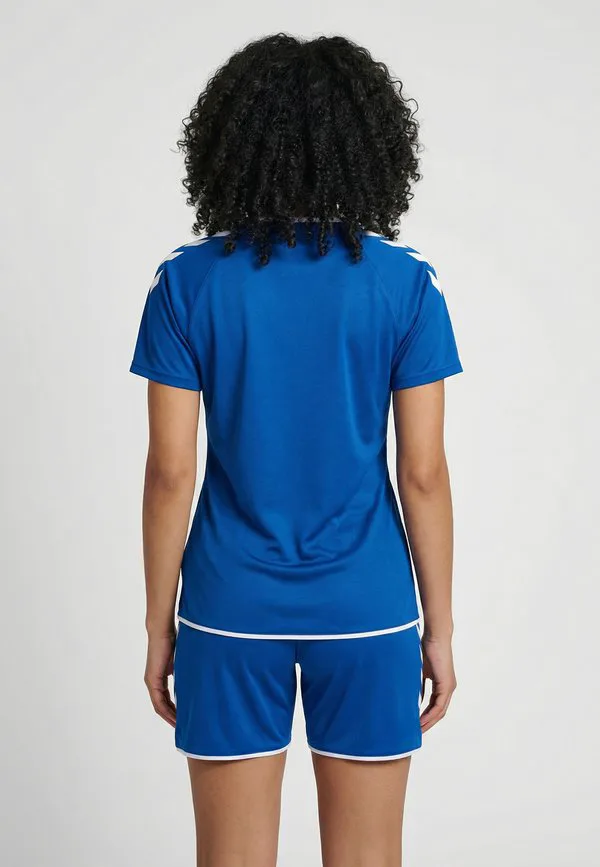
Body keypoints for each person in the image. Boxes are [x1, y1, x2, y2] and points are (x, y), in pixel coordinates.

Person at [130, 33, 462, 867]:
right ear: (371, 144)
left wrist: (159, 625)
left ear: (230, 142)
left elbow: (171, 473)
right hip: (369, 608)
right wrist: (440, 628)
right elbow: (423, 474)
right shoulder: (405, 282)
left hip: (227, 607)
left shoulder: (187, 282)